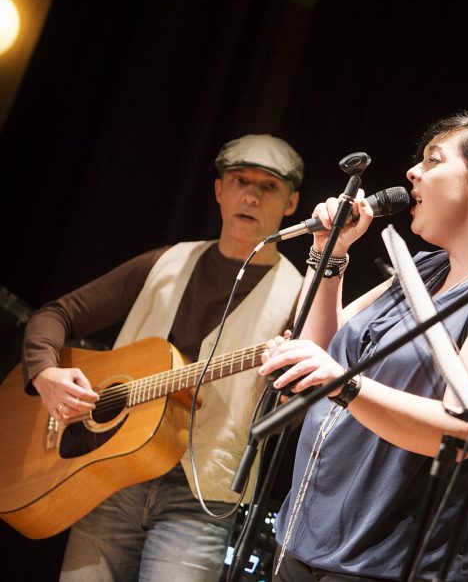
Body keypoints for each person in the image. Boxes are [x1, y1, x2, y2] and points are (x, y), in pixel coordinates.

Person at [258, 112, 468, 582]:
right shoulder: (424, 267)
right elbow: (322, 349)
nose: (412, 173)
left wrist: (343, 385)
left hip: (394, 564)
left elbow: (462, 433)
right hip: (308, 538)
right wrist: (330, 252)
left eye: (433, 161)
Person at [21, 134, 306, 581]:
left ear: (291, 203)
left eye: (268, 186)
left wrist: (289, 392)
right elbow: (56, 315)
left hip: (200, 497)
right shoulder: (165, 262)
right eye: (239, 180)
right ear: (218, 191)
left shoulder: (302, 297)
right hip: (110, 473)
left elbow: (299, 409)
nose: (250, 195)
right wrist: (45, 372)